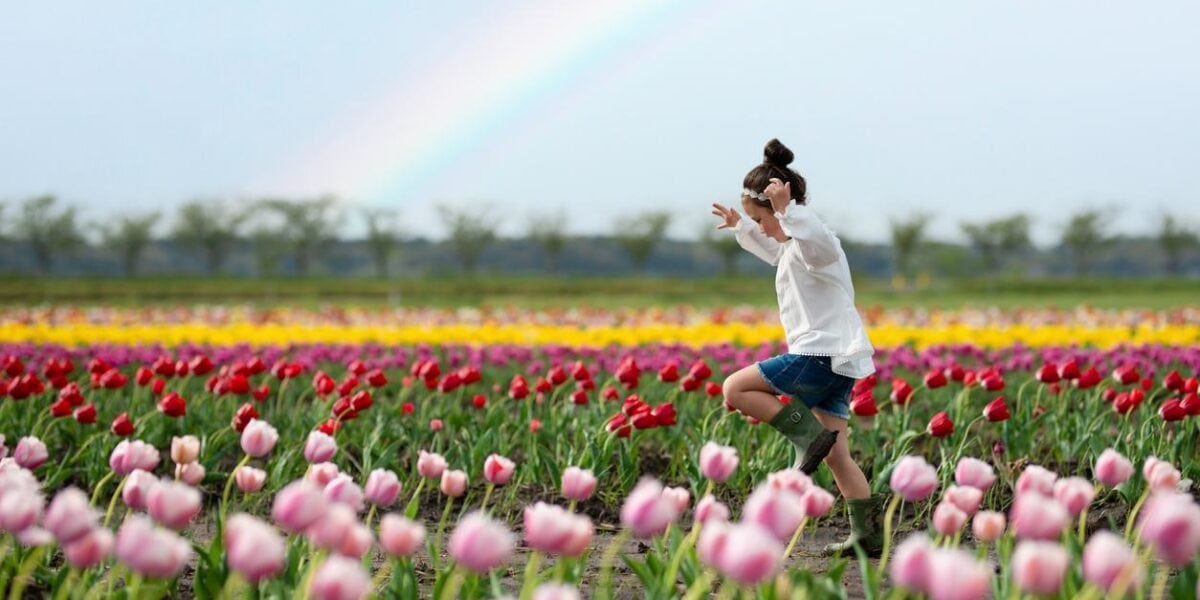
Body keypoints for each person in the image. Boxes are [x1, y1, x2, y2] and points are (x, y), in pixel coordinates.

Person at [712, 138, 883, 556]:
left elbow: (812, 240)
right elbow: (775, 248)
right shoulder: (793, 247)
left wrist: (788, 211)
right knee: (837, 456)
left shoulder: (815, 242)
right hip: (836, 360)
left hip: (819, 355)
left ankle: (806, 439)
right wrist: (743, 225)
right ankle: (868, 537)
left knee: (735, 388)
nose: (763, 225)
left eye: (761, 217)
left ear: (781, 210)